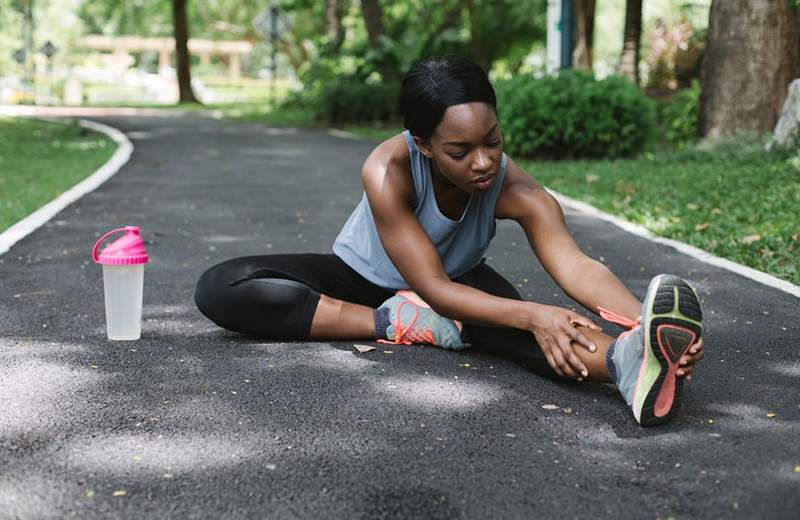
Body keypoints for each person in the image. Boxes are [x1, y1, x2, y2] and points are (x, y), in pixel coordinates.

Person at [194, 55, 705, 427]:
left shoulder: (516, 187)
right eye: (460, 151)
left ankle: (631, 361)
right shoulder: (387, 169)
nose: (483, 162)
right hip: (364, 279)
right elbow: (431, 287)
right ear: (424, 144)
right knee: (223, 286)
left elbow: (576, 266)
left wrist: (648, 322)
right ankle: (394, 322)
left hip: (459, 283)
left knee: (531, 329)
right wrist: (528, 312)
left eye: (493, 141)